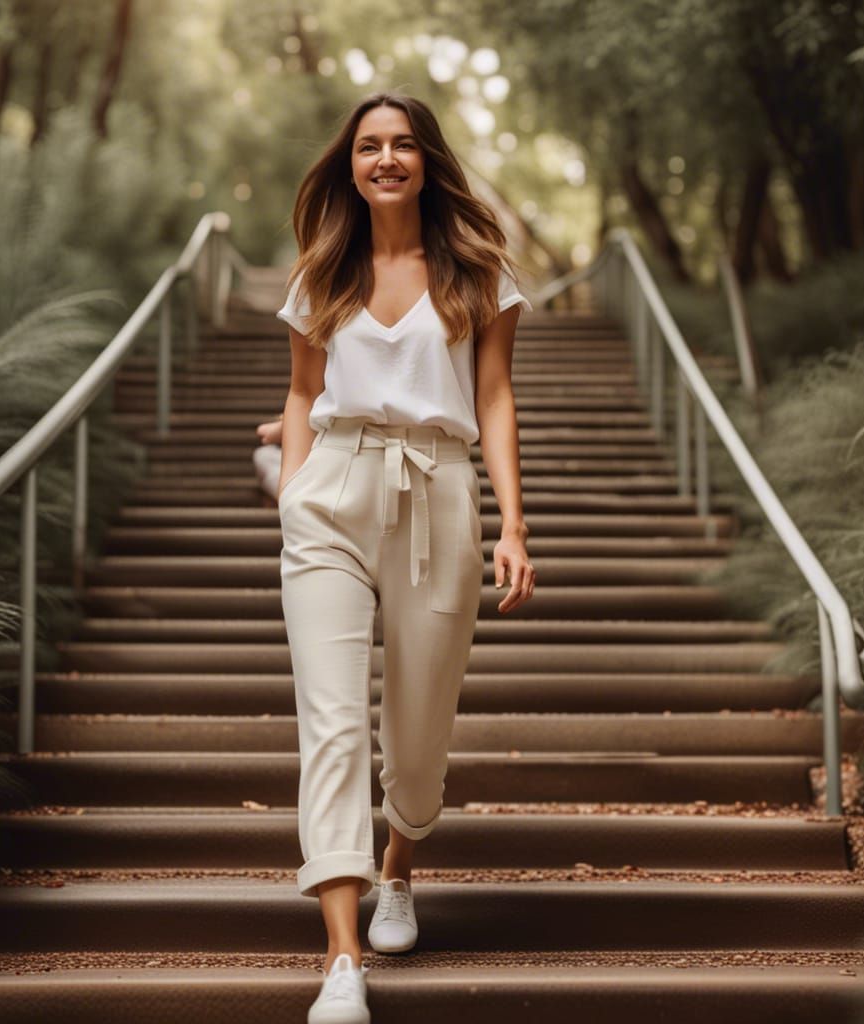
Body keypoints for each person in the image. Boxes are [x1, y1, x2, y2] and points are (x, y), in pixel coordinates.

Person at [274, 91, 535, 1024]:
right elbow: (306, 393)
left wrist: (511, 523)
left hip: (440, 494)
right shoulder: (321, 274)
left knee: (417, 738)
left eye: (403, 145)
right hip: (332, 502)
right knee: (334, 726)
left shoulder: (476, 271)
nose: (385, 158)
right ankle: (342, 961)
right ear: (349, 163)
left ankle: (398, 869)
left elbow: (494, 395)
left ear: (427, 160)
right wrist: (295, 492)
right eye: (368, 145)